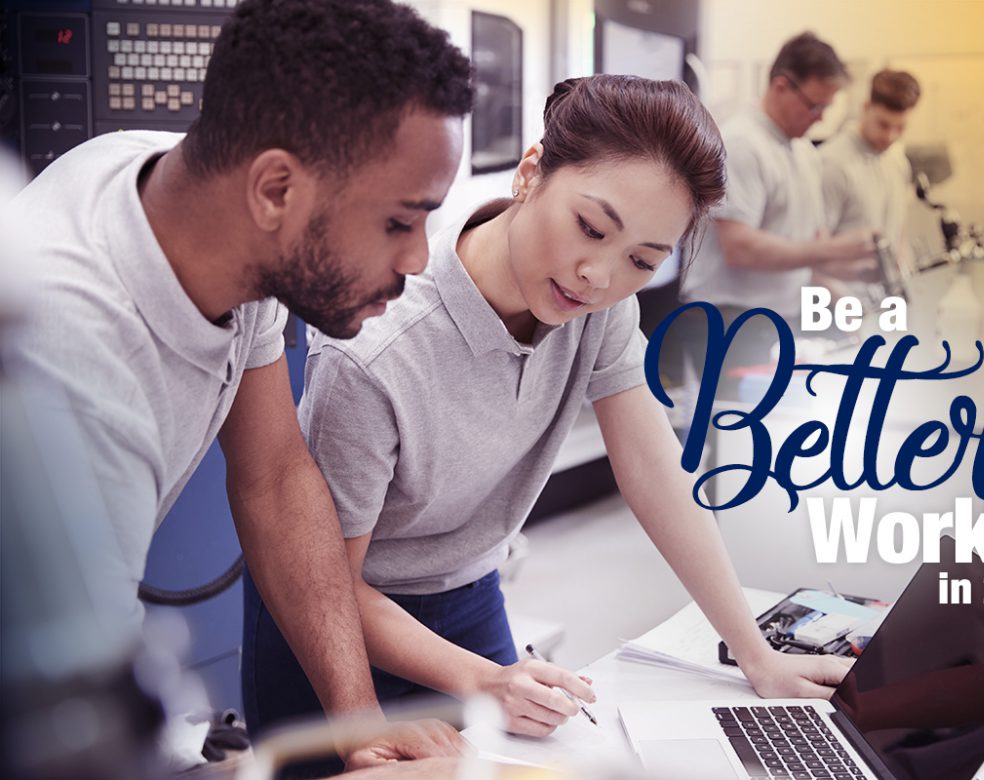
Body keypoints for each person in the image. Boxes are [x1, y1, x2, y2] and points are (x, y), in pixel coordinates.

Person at [243, 74, 853, 742]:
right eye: (590, 228)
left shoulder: (600, 308)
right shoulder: (379, 349)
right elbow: (324, 580)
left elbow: (655, 474)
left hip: (469, 595)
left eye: (642, 261)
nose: (600, 276)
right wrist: (484, 680)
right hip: (336, 621)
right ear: (531, 172)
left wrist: (756, 655)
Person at [0, 0, 473, 772]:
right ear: (277, 191)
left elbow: (276, 476)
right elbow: (85, 753)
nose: (419, 260)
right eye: (398, 222)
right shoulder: (77, 373)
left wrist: (360, 727)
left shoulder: (202, 207)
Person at [679, 32, 877, 381]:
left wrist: (847, 291)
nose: (820, 118)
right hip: (729, 323)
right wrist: (830, 250)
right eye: (815, 105)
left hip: (779, 320)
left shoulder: (802, 152)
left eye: (827, 108)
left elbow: (799, 249)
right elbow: (740, 248)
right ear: (782, 86)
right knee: (733, 430)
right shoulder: (742, 144)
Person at [820, 69, 921, 270]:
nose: (891, 136)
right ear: (866, 108)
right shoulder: (831, 163)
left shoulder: (898, 162)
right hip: (840, 295)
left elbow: (898, 230)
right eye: (883, 125)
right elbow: (816, 249)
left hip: (885, 296)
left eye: (900, 127)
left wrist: (903, 271)